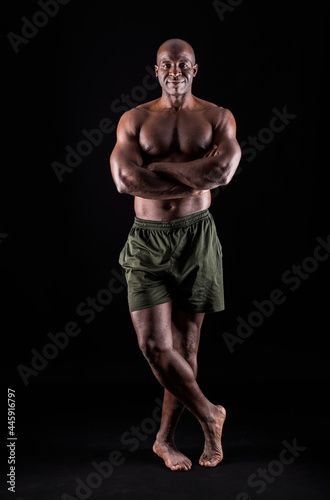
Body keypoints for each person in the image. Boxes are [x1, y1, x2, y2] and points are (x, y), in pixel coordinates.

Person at [110, 38, 241, 471]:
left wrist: (160, 169)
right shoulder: (135, 119)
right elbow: (127, 180)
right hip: (148, 239)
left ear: (195, 69)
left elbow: (221, 172)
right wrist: (193, 176)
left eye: (182, 64)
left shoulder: (218, 116)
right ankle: (210, 414)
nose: (174, 71)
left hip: (197, 236)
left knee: (185, 347)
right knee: (154, 346)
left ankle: (165, 440)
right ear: (155, 70)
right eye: (166, 64)